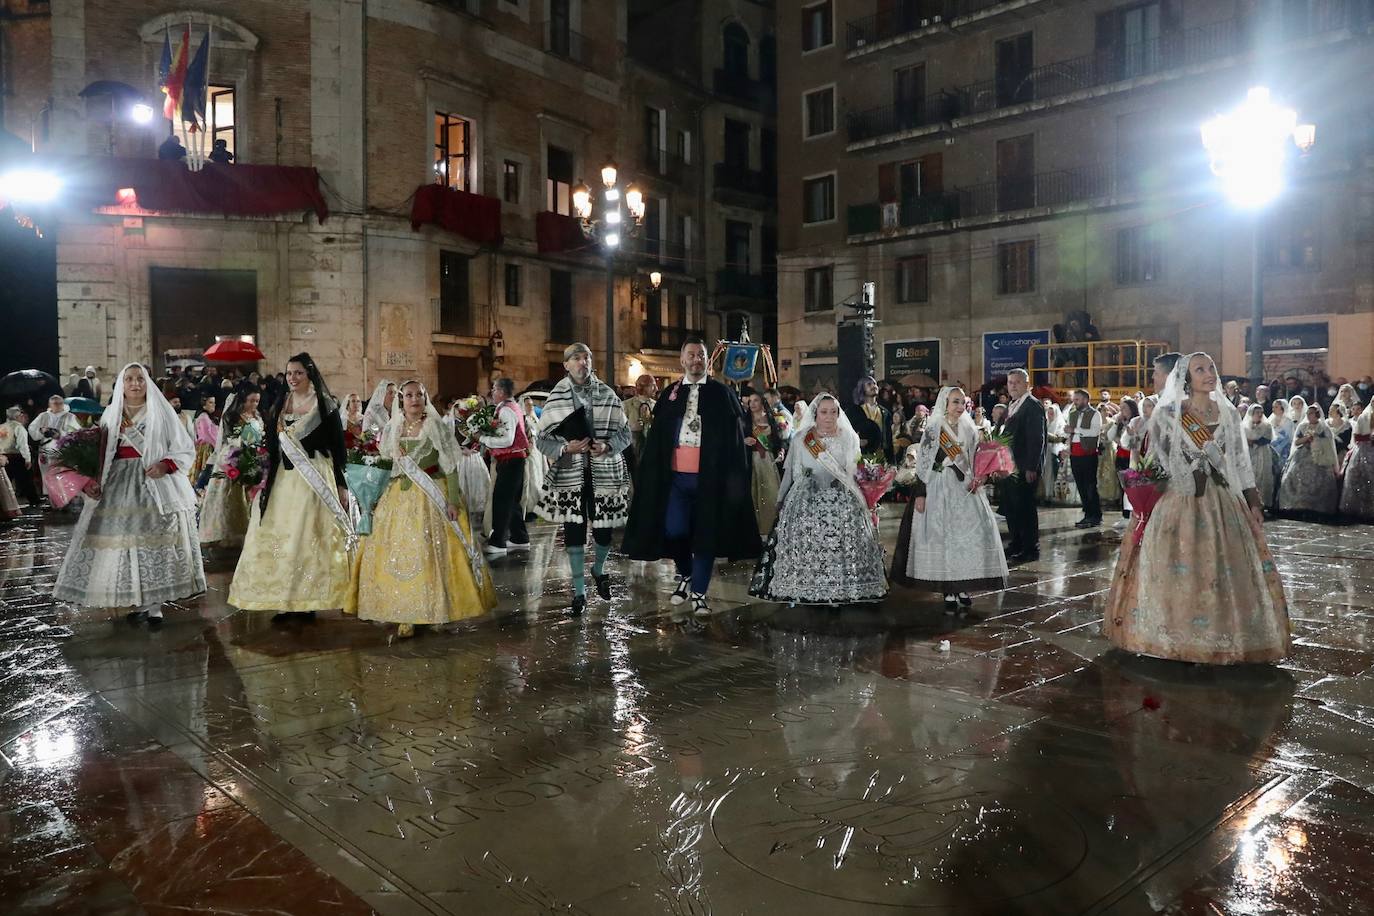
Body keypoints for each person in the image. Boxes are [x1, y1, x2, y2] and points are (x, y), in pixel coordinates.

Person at [1104, 352, 1288, 664]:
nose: (1208, 374)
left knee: (1221, 568)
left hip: (1222, 501)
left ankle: (1220, 637)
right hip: (1178, 501)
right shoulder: (1168, 415)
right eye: (1199, 369)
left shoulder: (1228, 414)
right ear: (1186, 379)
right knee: (1179, 568)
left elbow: (1240, 462)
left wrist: (1253, 501)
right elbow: (1158, 463)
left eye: (1211, 367)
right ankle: (1174, 637)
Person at [52, 364, 205, 626]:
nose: (135, 384)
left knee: (154, 543)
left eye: (140, 379)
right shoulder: (112, 413)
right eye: (129, 379)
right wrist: (92, 478)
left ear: (147, 383)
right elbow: (102, 452)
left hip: (153, 482)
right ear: (122, 384)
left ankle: (154, 604)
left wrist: (165, 465)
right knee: (125, 543)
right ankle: (138, 598)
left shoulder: (162, 412)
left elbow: (184, 448)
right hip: (119, 483)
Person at [623, 338, 760, 617]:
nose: (696, 359)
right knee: (674, 531)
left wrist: (733, 479)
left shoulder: (722, 394)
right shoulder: (670, 393)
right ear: (682, 361)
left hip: (710, 479)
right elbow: (658, 439)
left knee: (706, 536)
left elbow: (735, 441)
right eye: (691, 355)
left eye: (701, 355)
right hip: (676, 478)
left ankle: (699, 593)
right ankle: (685, 573)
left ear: (707, 360)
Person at [347, 380, 496, 637]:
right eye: (408, 395)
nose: (414, 399)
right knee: (396, 554)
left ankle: (432, 609)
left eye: (419, 394)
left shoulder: (434, 426)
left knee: (428, 553)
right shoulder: (393, 427)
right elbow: (385, 464)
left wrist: (452, 500)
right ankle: (403, 611)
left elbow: (449, 467)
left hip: (431, 495)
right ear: (401, 400)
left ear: (425, 398)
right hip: (396, 497)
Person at [229, 353, 352, 615]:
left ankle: (307, 601)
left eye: (298, 373)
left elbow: (338, 448)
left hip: (313, 478)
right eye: (289, 373)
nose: (293, 378)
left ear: (310, 375)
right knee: (282, 536)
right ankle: (284, 599)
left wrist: (342, 485)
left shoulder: (324, 405)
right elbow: (272, 446)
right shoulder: (280, 403)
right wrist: (257, 471)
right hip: (283, 481)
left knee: (305, 536)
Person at [750, 393, 886, 606]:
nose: (829, 417)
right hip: (807, 498)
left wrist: (866, 496)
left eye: (834, 412)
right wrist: (781, 499)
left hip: (841, 497)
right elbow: (791, 473)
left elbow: (854, 471)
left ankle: (844, 587)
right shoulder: (801, 438)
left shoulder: (849, 437)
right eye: (824, 412)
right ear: (815, 414)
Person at [535, 344, 632, 615]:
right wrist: (566, 448)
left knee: (604, 532)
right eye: (576, 358)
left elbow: (625, 435)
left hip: (605, 471)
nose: (582, 362)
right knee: (574, 532)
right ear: (566, 365)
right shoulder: (556, 397)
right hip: (571, 473)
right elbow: (541, 440)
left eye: (586, 357)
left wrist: (608, 446)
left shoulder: (608, 394)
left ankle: (598, 569)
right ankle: (579, 592)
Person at [891, 387, 1007, 612]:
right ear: (945, 403)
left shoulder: (970, 427)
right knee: (944, 539)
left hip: (965, 488)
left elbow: (975, 458)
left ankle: (962, 586)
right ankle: (948, 590)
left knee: (965, 539)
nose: (959, 406)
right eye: (955, 402)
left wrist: (981, 476)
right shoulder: (934, 428)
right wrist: (921, 493)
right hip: (939, 486)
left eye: (962, 402)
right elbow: (923, 463)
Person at [199, 391, 264, 547]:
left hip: (252, 457)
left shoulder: (257, 417)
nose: (254, 404)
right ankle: (223, 533)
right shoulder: (232, 416)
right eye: (251, 401)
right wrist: (242, 450)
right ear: (242, 400)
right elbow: (231, 439)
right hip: (232, 457)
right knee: (227, 497)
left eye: (257, 401)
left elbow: (259, 437)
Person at [994, 368, 1046, 562]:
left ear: (1026, 384)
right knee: (1011, 507)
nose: (1013, 386)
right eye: (1010, 382)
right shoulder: (1012, 406)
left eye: (1017, 382)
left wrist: (1032, 466)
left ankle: (1030, 547)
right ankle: (1016, 542)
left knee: (1025, 507)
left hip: (1023, 466)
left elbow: (1036, 438)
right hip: (1008, 466)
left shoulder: (1032, 406)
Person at [479, 378, 531, 555]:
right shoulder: (512, 406)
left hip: (511, 460)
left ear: (501, 391)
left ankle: (498, 542)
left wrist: (483, 438)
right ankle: (519, 537)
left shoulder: (506, 410)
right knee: (512, 502)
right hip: (514, 460)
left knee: (501, 501)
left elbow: (507, 440)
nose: (492, 393)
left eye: (494, 389)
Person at [1278, 404, 1340, 518]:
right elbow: (1296, 442)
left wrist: (1316, 440)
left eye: (1311, 413)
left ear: (1317, 414)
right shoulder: (1302, 426)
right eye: (1308, 413)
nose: (1309, 415)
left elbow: (1329, 443)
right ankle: (1297, 505)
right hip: (1302, 455)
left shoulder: (1323, 427)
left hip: (1319, 457)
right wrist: (1306, 439)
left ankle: (1316, 507)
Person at [743, 390, 783, 537]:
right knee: (753, 494)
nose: (752, 403)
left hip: (768, 460)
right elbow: (735, 438)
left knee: (771, 494)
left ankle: (770, 528)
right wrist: (744, 441)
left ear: (762, 402)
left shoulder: (772, 418)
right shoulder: (745, 420)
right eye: (750, 401)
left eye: (756, 400)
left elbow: (777, 441)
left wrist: (780, 452)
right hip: (751, 460)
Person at [1064, 388, 1103, 529]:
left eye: (1077, 399)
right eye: (1074, 399)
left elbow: (1094, 432)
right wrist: (1067, 446)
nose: (1075, 402)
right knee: (1081, 485)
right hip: (1075, 454)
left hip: (1088, 453)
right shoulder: (1072, 413)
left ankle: (1095, 515)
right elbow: (1071, 435)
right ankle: (1087, 513)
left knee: (1090, 486)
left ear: (1086, 400)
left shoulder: (1095, 414)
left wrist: (1075, 430)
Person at [1340, 400, 1374, 522]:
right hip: (1363, 449)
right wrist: (1368, 438)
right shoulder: (1363, 417)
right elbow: (1356, 435)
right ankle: (1355, 507)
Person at [846, 376, 892, 460]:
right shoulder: (853, 411)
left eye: (875, 384)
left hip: (881, 457)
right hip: (860, 456)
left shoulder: (885, 413)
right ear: (862, 388)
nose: (873, 386)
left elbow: (889, 439)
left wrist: (892, 462)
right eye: (869, 384)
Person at [1242, 403, 1277, 511]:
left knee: (1262, 476)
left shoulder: (1266, 425)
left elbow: (1267, 439)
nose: (1260, 414)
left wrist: (1254, 441)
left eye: (1261, 412)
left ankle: (1263, 503)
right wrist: (1247, 442)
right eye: (1257, 412)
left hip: (1262, 453)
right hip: (1249, 453)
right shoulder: (1244, 426)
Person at [1, 406, 37, 505]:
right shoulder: (18, 427)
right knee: (26, 480)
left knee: (5, 481)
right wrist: (28, 459)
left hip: (3, 457)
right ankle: (34, 500)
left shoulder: (2, 426)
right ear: (18, 416)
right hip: (17, 457)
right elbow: (23, 445)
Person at [623, 373, 658, 467]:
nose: (656, 389)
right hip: (633, 451)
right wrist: (631, 428)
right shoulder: (626, 405)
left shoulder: (656, 405)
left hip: (652, 450)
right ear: (643, 387)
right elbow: (618, 429)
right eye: (653, 386)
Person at [190, 395, 219, 485]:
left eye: (214, 402)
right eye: (210, 402)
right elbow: (207, 435)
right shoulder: (203, 417)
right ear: (204, 405)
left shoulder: (208, 417)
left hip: (210, 446)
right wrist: (217, 446)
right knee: (205, 473)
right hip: (207, 448)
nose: (213, 405)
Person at [1040, 401, 1064, 504]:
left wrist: (1047, 435)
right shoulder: (1046, 423)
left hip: (1054, 451)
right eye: (1048, 413)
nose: (1050, 415)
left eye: (1052, 413)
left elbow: (1060, 438)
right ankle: (1043, 494)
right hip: (1045, 452)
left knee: (1052, 474)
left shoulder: (1060, 424)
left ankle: (1051, 494)